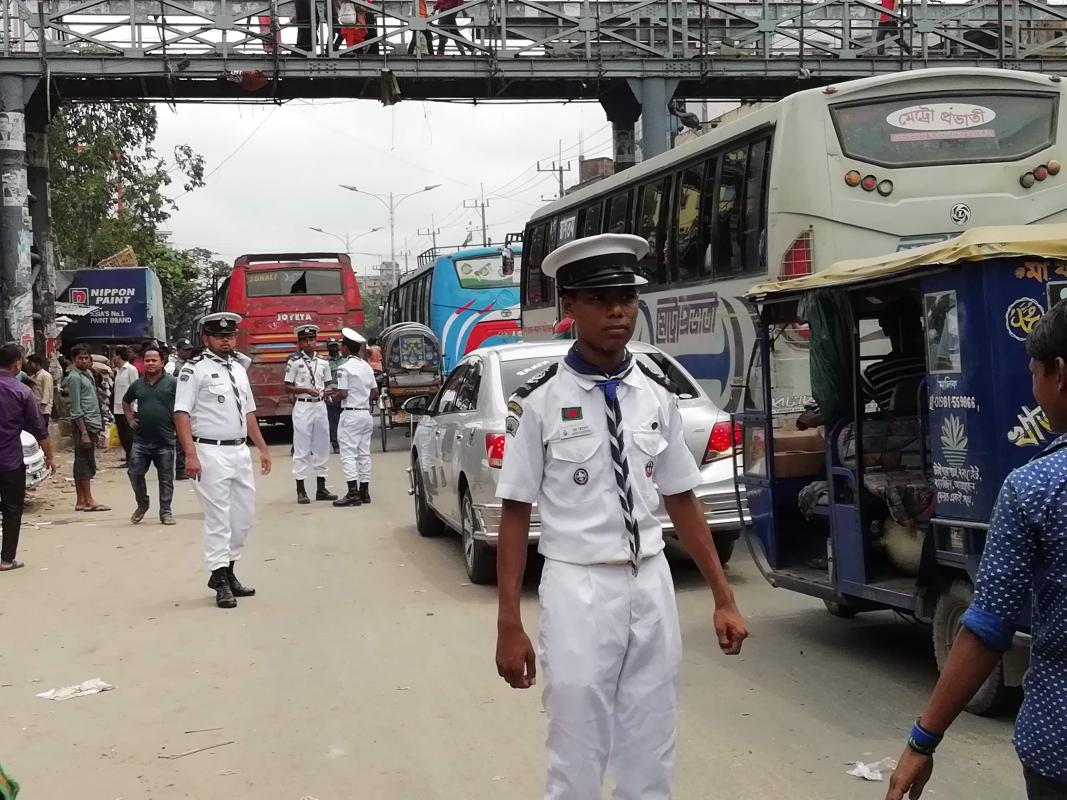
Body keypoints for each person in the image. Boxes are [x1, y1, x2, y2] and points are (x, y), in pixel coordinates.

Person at [493, 233, 749, 800]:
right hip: (578, 585)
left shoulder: (656, 395)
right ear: (570, 307)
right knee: (576, 746)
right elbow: (514, 512)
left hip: (650, 580)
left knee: (651, 742)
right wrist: (508, 622)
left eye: (627, 298)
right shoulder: (537, 400)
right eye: (601, 298)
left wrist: (723, 596)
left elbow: (682, 496)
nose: (618, 311)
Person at [886, 300, 1067, 800]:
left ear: (1060, 374)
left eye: (1035, 373)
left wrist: (922, 741)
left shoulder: (1035, 488)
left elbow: (987, 629)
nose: (1034, 388)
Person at [174, 312, 272, 610]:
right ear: (207, 339)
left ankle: (228, 570)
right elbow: (181, 413)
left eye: (230, 336)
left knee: (242, 518)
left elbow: (248, 412)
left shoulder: (239, 369)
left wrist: (262, 448)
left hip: (239, 451)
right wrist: (190, 454)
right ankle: (220, 579)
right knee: (219, 519)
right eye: (220, 336)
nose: (226, 341)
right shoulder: (194, 371)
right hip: (209, 452)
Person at [0, 343, 56, 571]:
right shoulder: (22, 391)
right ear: (17, 363)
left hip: (10, 457)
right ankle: (6, 559)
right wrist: (51, 457)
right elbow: (39, 429)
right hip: (10, 460)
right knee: (12, 509)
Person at [123, 345, 179, 526]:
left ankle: (166, 512)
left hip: (165, 439)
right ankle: (142, 503)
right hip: (141, 440)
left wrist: (181, 425)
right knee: (134, 473)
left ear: (162, 362)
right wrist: (130, 419)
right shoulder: (137, 385)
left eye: (154, 360)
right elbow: (126, 401)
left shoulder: (173, 383)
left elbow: (185, 405)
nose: (150, 363)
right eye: (147, 360)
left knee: (166, 478)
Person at [284, 324, 337, 505]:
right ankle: (301, 489)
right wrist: (305, 389)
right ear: (299, 343)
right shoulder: (293, 361)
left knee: (322, 445)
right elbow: (287, 386)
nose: (308, 343)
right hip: (303, 405)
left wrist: (328, 390)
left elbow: (328, 382)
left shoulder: (323, 361)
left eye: (311, 339)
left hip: (320, 406)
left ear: (316, 340)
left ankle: (321, 487)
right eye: (305, 340)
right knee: (302, 446)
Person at [331, 328, 378, 507]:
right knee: (364, 453)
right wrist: (362, 398)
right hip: (365, 413)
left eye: (342, 345)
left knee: (348, 455)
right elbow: (374, 391)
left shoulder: (344, 368)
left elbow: (343, 393)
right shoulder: (366, 366)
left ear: (345, 348)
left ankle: (352, 493)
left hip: (350, 415)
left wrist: (331, 397)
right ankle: (364, 492)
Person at [66, 344, 109, 512]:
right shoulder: (74, 377)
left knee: (82, 461)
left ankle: (81, 500)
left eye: (86, 358)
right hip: (84, 425)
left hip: (91, 424)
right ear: (73, 360)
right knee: (85, 462)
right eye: (80, 358)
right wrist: (84, 432)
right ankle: (88, 500)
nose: (84, 361)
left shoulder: (87, 374)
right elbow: (76, 408)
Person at [170, 338, 196, 479]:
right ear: (178, 350)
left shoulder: (191, 364)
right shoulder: (172, 365)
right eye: (185, 350)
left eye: (189, 350)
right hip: (177, 406)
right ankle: (180, 469)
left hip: (190, 406)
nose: (188, 352)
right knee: (181, 438)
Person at [112, 346, 139, 464]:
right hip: (117, 409)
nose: (113, 358)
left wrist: (133, 410)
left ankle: (133, 458)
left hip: (128, 410)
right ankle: (129, 456)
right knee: (122, 435)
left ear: (118, 356)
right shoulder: (117, 371)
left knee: (129, 435)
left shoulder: (131, 370)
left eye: (114, 355)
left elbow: (135, 389)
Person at [326, 337, 347, 454]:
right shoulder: (325, 363)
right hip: (333, 393)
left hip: (345, 393)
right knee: (334, 422)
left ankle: (345, 443)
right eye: (331, 346)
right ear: (327, 347)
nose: (334, 348)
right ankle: (336, 444)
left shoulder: (345, 360)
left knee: (345, 421)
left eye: (335, 345)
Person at [25, 353, 54, 429]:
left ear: (37, 363)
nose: (29, 365)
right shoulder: (33, 376)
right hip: (36, 409)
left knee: (42, 432)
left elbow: (46, 394)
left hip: (43, 410)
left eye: (30, 363)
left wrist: (41, 406)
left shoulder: (45, 375)